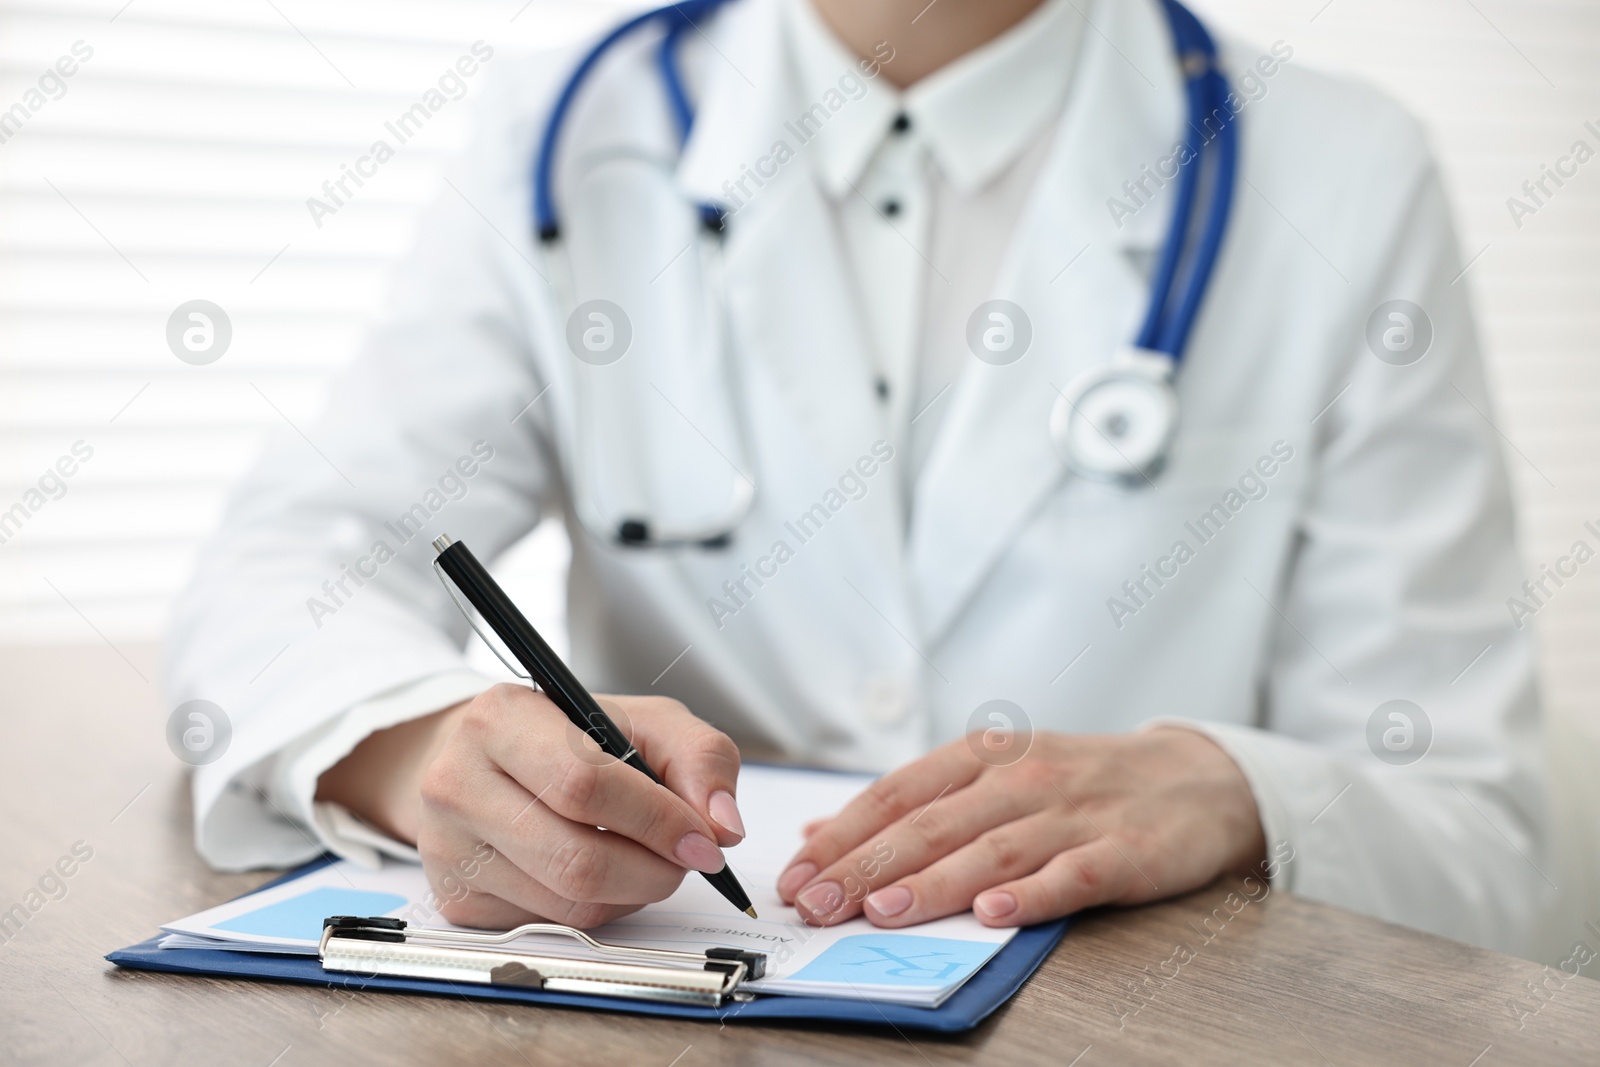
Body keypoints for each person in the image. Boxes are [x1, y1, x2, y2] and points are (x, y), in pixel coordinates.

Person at [167, 0, 1551, 955]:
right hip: (692, 992)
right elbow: (293, 560)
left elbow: (1476, 834)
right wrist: (415, 749)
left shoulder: (1344, 172)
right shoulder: (569, 131)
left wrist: (1238, 792)